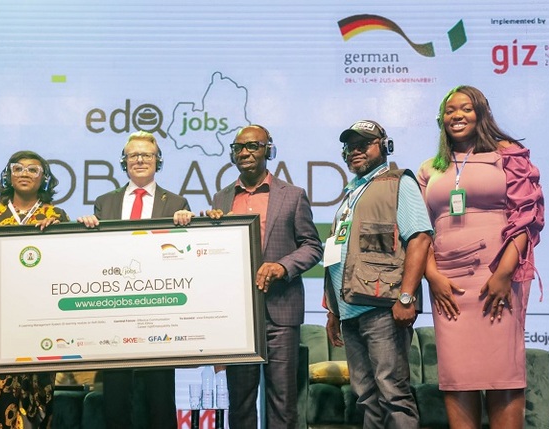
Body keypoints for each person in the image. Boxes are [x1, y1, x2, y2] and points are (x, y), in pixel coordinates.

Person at [417, 85, 544, 428]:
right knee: (458, 374)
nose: (457, 115)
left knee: (502, 370)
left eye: (466, 109)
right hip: (448, 282)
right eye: (450, 110)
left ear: (482, 113)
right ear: (441, 119)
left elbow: (526, 218)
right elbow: (418, 232)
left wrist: (504, 274)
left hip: (497, 276)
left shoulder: (509, 155)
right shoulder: (430, 168)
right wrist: (432, 276)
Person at [207, 124, 323, 429]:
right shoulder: (221, 199)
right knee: (241, 403)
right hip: (239, 316)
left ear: (268, 150)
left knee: (282, 401)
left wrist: (282, 266)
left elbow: (312, 246)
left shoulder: (293, 195)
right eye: (238, 148)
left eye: (253, 146)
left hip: (280, 312)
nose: (244, 152)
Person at [78, 130, 192, 429]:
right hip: (116, 309)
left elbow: (186, 257)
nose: (140, 159)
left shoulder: (177, 202)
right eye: (133, 155)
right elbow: (97, 254)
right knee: (115, 400)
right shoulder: (105, 203)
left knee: (160, 399)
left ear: (158, 161)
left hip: (159, 310)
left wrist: (186, 226)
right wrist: (88, 229)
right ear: (124, 161)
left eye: (147, 155)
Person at [323, 120, 432, 429]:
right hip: (350, 312)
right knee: (366, 396)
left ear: (385, 146)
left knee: (392, 394)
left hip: (384, 309)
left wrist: (407, 296)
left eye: (363, 145)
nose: (354, 151)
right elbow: (338, 252)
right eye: (349, 146)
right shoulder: (350, 195)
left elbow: (420, 239)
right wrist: (333, 311)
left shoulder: (399, 182)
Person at [0, 150, 69, 429]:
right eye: (18, 168)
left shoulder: (56, 215)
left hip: (41, 317)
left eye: (33, 170)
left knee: (41, 396)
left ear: (44, 179)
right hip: (1, 320)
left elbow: (68, 265)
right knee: (3, 397)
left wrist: (58, 236)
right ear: (8, 176)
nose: (24, 174)